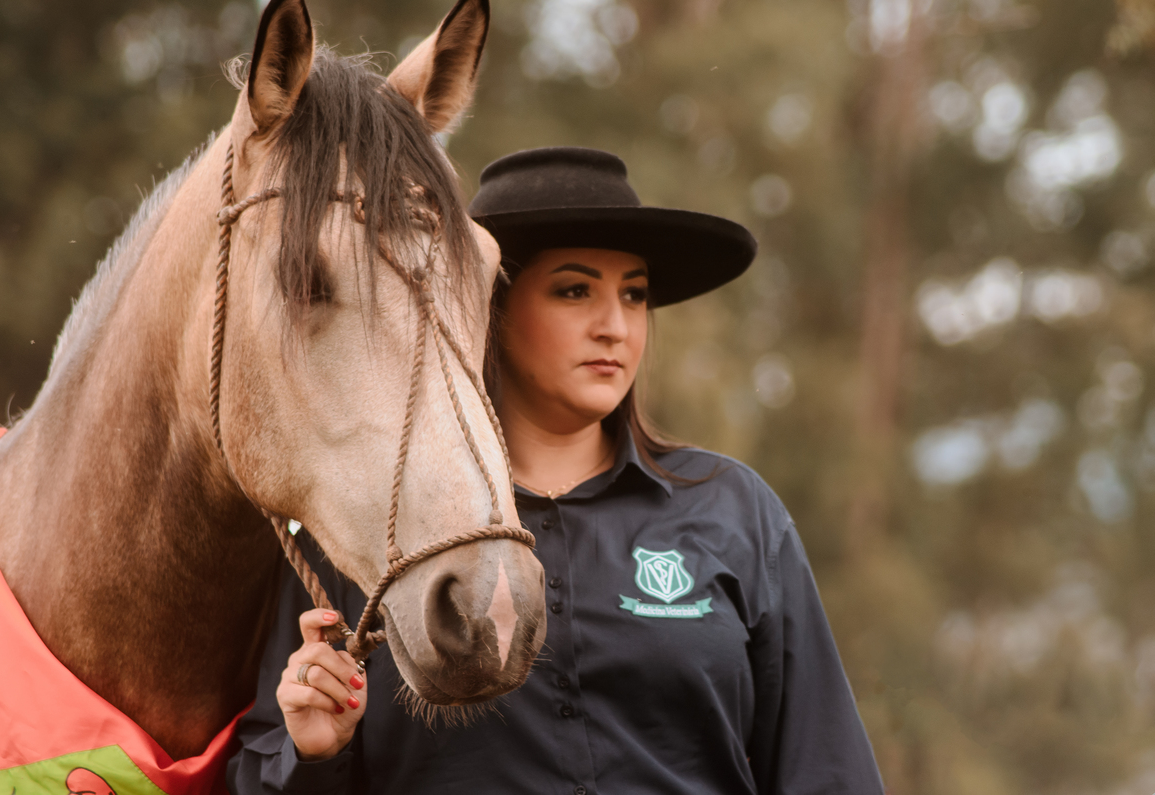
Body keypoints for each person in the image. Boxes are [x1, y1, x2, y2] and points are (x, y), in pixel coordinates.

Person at [227, 147, 885, 794]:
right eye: (575, 290)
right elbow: (258, 770)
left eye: (635, 294)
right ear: (488, 307)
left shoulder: (735, 511)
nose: (615, 326)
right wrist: (312, 753)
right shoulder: (362, 527)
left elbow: (827, 769)